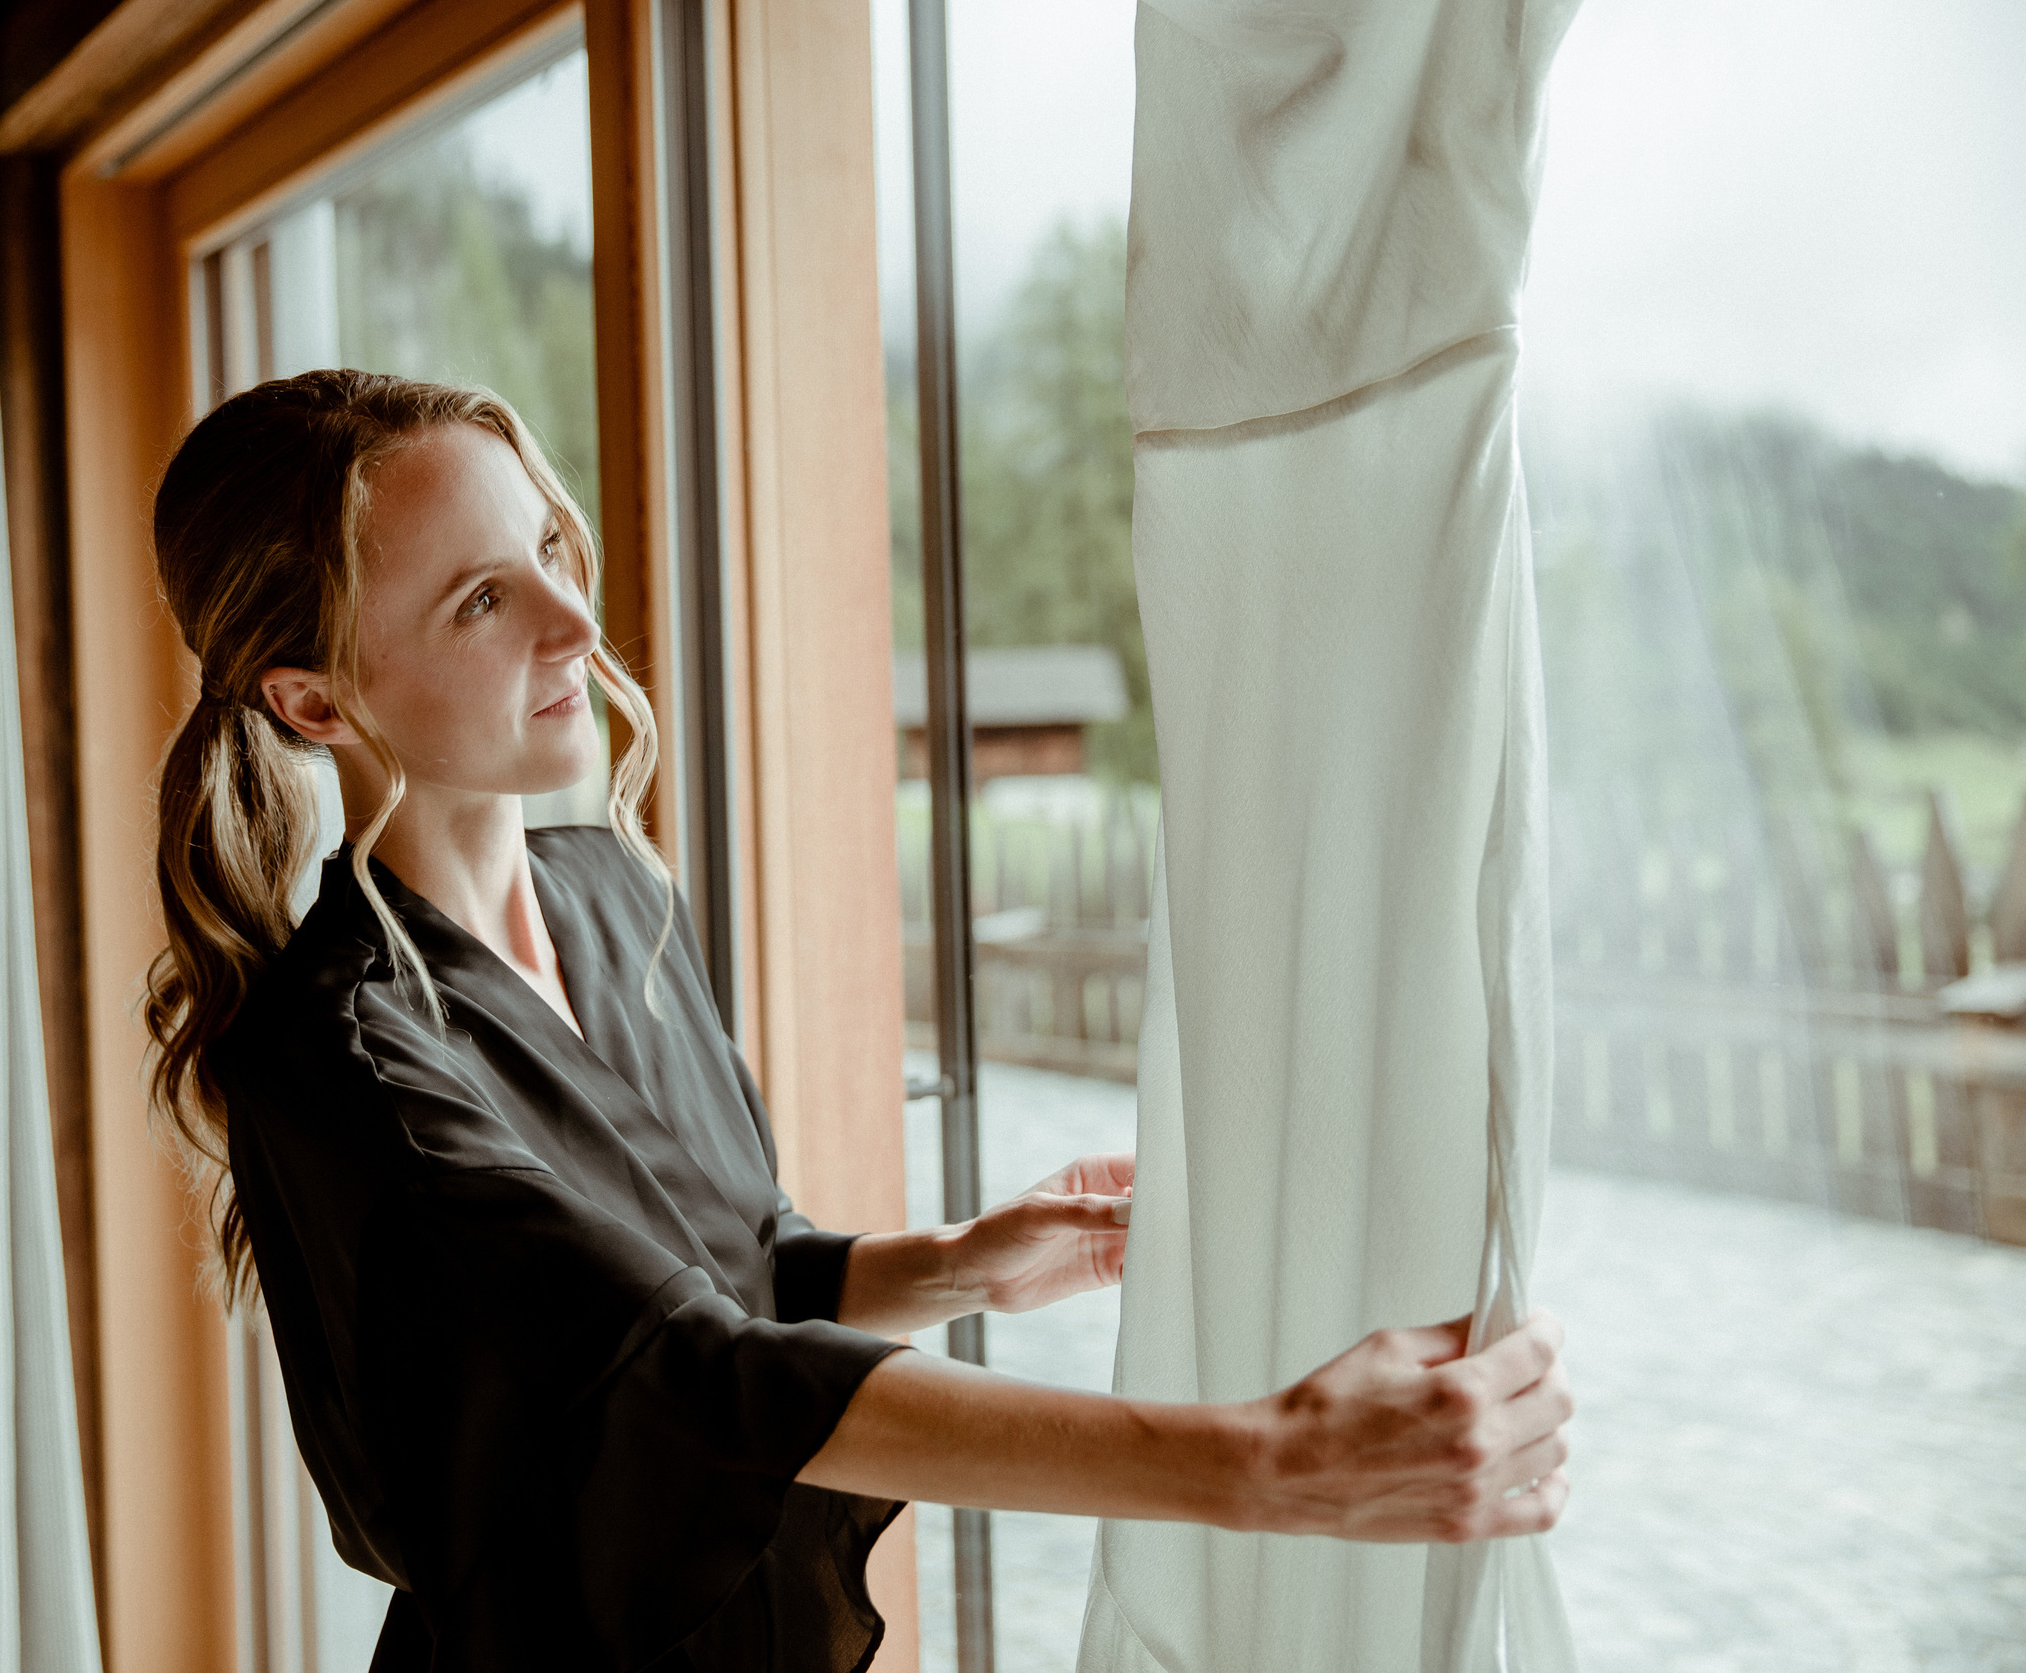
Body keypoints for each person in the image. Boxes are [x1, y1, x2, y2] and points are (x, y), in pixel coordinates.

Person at [142, 370, 1572, 1671]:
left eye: (550, 555)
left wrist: (958, 1263)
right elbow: (685, 1378)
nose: (575, 621)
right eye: (478, 601)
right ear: (315, 699)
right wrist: (1265, 1465)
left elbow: (735, 1266)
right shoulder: (345, 1058)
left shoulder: (606, 899)